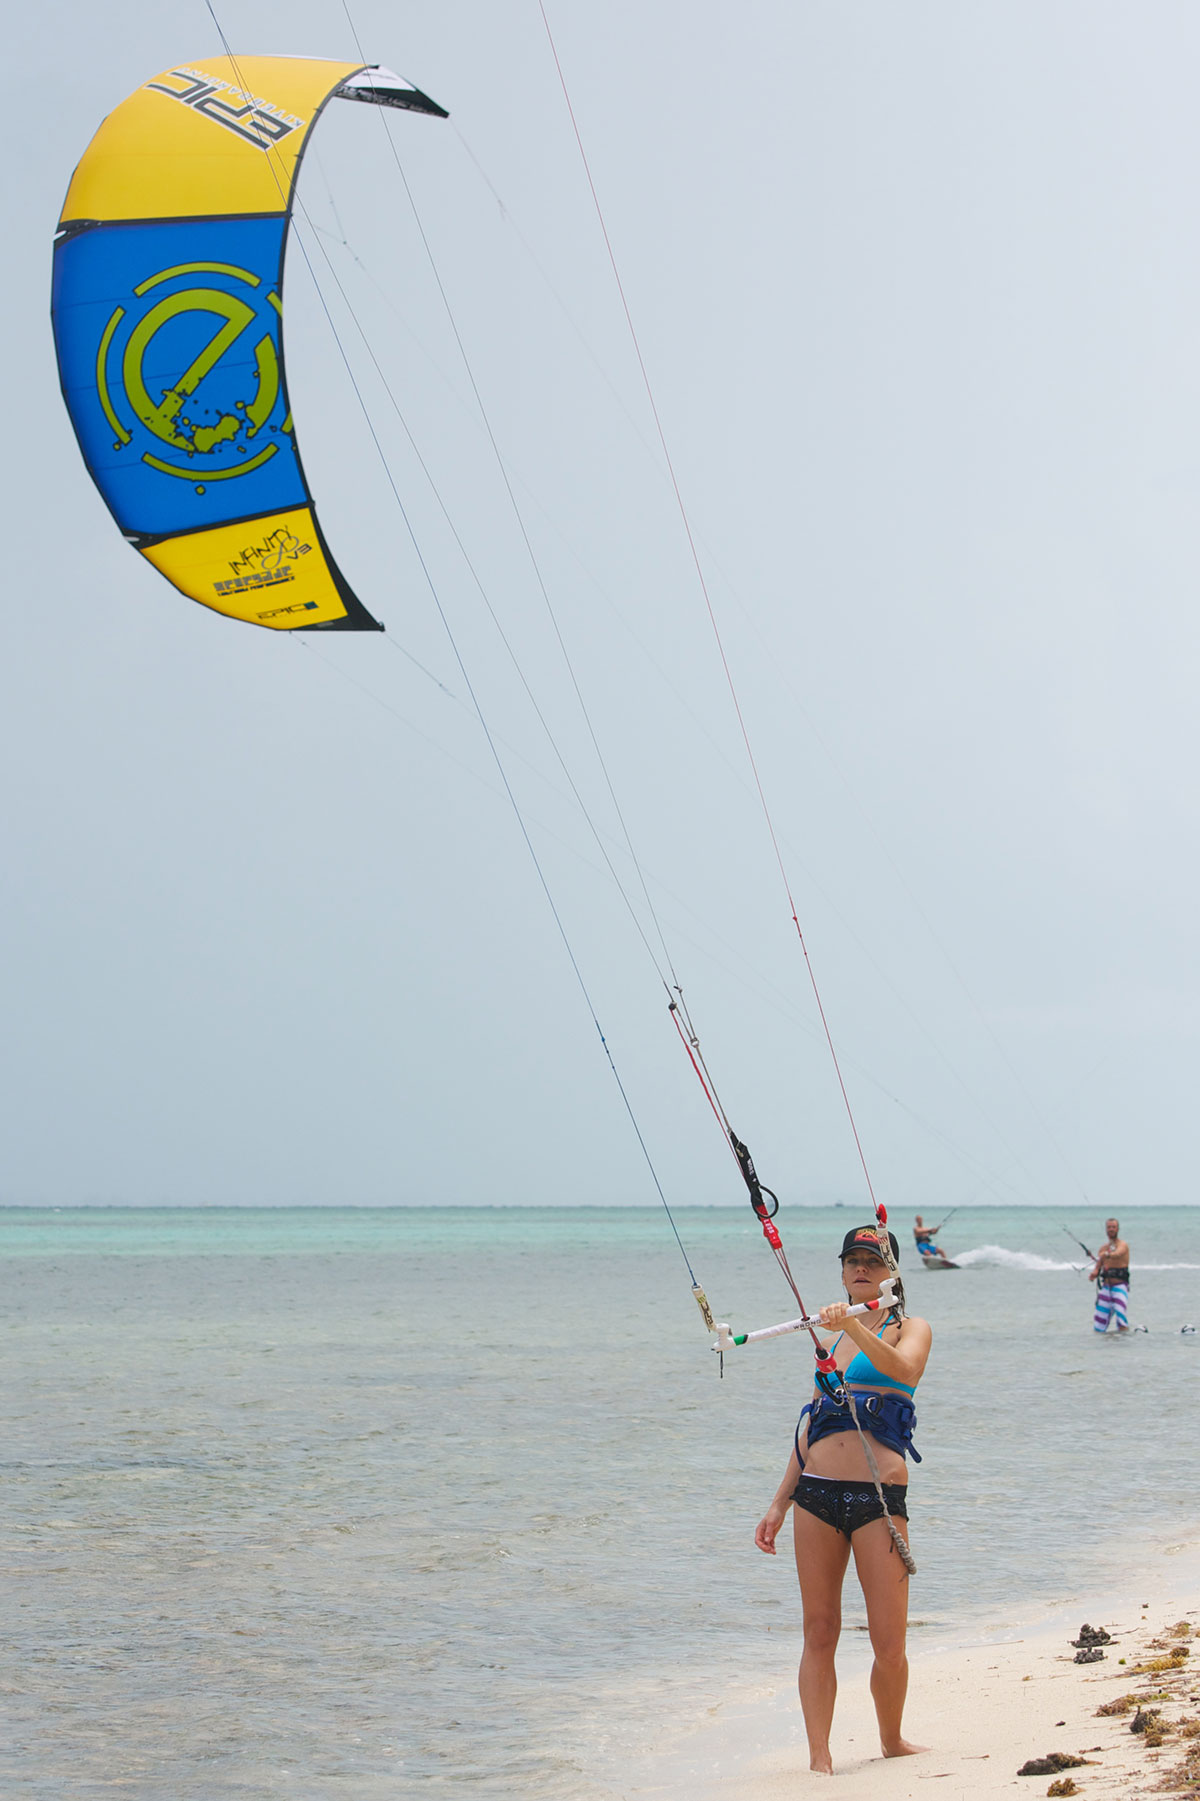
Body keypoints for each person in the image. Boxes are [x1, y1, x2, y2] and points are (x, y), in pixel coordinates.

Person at [754, 1227, 933, 1774]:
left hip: (878, 1500)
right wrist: (779, 1502)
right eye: (853, 1261)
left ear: (892, 1273)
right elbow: (810, 1427)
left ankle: (892, 1738)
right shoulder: (829, 1340)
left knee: (888, 1640)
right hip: (817, 1497)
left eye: (873, 1261)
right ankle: (819, 1756)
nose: (861, 1269)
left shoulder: (911, 1328)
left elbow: (904, 1371)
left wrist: (855, 1321)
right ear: (842, 1271)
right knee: (819, 1630)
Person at [1089, 1217, 1130, 1333]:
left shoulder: (1123, 1245)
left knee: (1121, 1316)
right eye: (1109, 1227)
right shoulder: (1103, 1248)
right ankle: (1102, 1348)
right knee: (1099, 1324)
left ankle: (1123, 1345)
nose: (1111, 1229)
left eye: (1113, 1227)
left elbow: (1118, 1253)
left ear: (1118, 1229)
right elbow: (1098, 1266)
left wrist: (1107, 1254)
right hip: (1106, 1288)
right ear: (1106, 1229)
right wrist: (1094, 1273)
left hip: (1120, 1287)